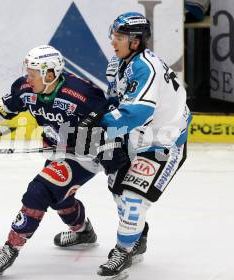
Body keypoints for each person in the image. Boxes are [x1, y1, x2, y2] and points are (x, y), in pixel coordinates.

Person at [0, 45, 128, 277]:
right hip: (56, 148)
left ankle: (10, 248)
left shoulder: (81, 93)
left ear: (49, 74)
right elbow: (6, 105)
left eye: (33, 73)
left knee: (38, 192)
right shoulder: (25, 88)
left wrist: (109, 149)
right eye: (28, 72)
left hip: (85, 153)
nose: (27, 78)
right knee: (59, 198)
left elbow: (109, 119)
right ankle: (83, 232)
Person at [80, 12, 192, 278]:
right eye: (113, 35)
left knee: (132, 199)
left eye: (119, 37)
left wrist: (99, 127)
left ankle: (124, 250)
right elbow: (119, 101)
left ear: (136, 41)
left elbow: (137, 113)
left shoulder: (145, 68)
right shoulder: (120, 62)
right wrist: (98, 117)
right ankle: (137, 237)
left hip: (164, 142)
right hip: (137, 137)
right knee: (117, 187)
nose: (112, 41)